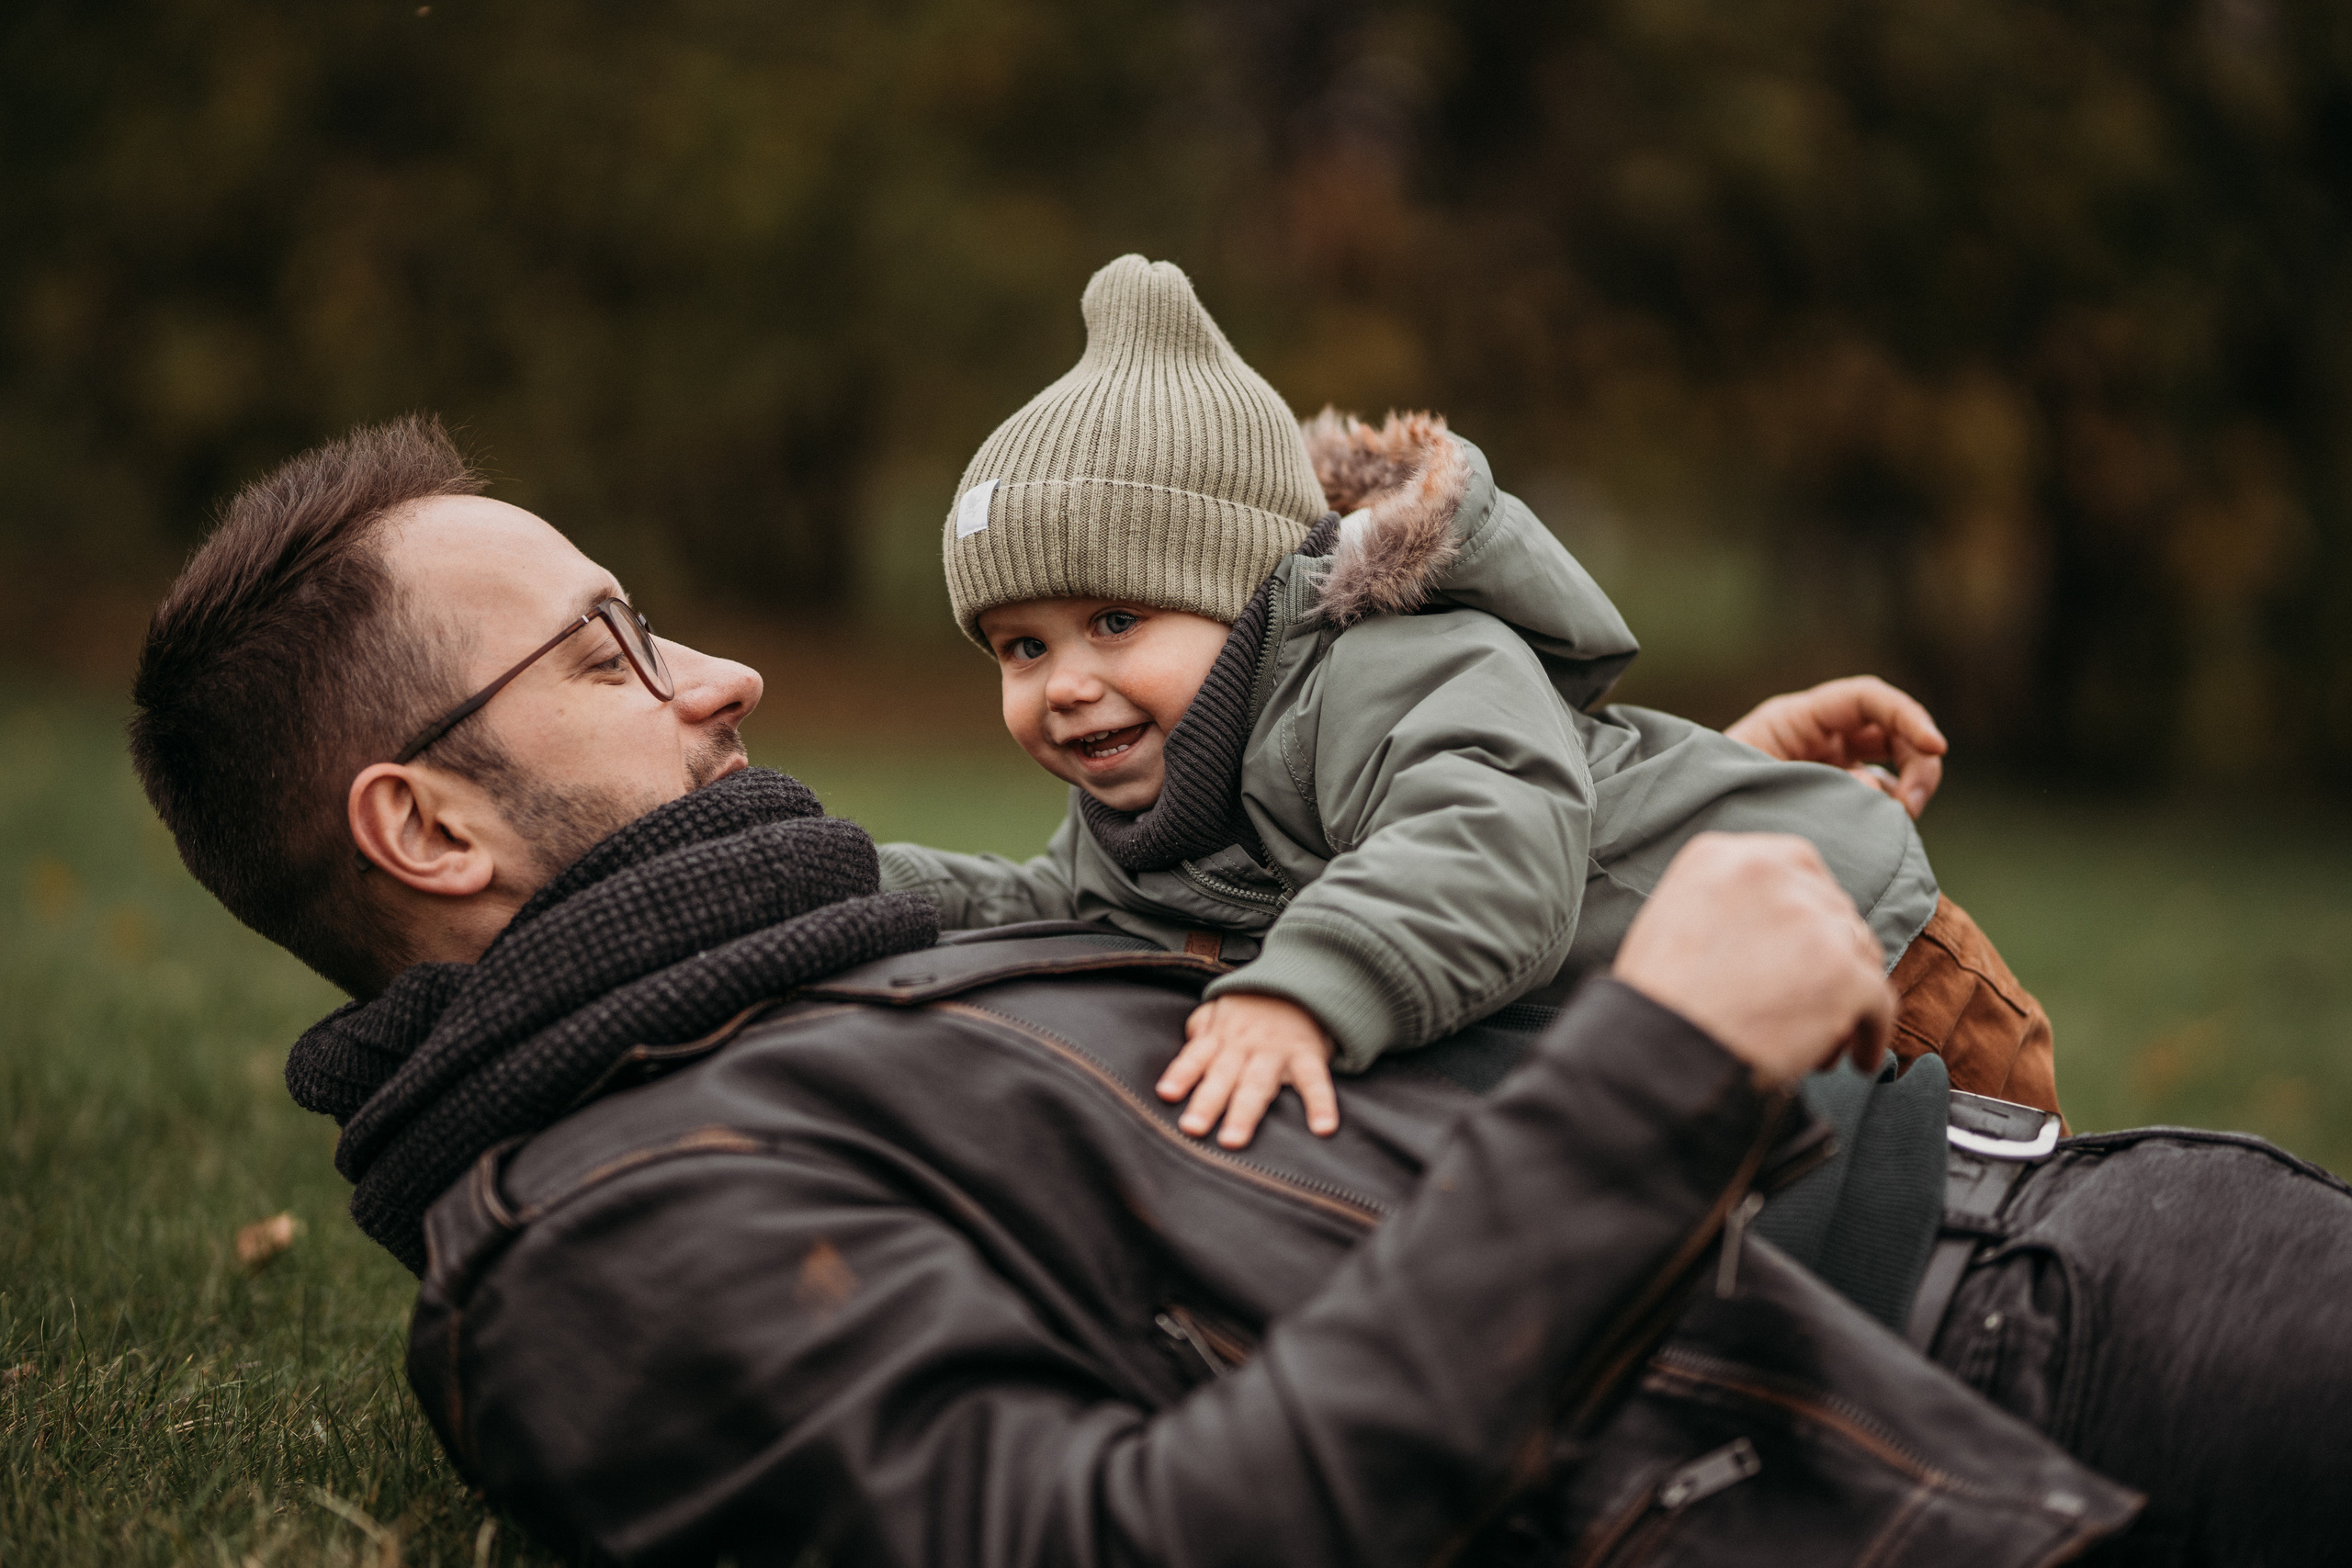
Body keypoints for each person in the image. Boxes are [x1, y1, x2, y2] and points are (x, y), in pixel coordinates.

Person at [129, 417, 2352, 1564]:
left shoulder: (780, 975)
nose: (719, 672)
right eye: (612, 648)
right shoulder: (607, 1238)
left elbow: (1294, 976)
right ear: (429, 827)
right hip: (1949, 1384)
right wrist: (1659, 1063)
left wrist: (1621, 828)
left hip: (1997, 1245)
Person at [880, 254, 2057, 1152]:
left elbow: (1483, 845)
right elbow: (1046, 909)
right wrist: (849, 879)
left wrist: (1304, 992)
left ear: (1244, 600)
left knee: (1995, 1258)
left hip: (1873, 969)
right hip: (1677, 1013)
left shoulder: (1391, 662)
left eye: (1115, 623)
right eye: (1019, 648)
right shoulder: (1158, 806)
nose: (1065, 684)